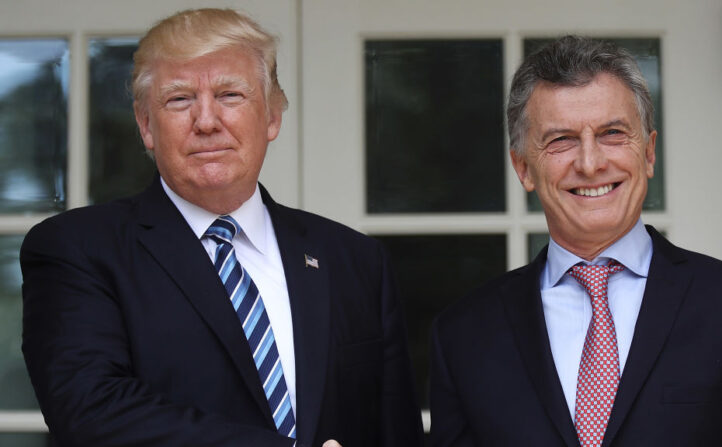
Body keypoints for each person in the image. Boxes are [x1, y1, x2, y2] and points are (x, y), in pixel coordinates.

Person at [20, 8, 423, 447]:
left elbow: (395, 431)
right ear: (145, 124)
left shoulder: (354, 259)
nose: (207, 121)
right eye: (179, 99)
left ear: (272, 117)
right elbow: (91, 411)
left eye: (230, 95)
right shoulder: (77, 249)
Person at [429, 35, 722, 446]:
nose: (590, 163)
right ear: (524, 168)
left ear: (649, 152)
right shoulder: (464, 337)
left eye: (613, 133)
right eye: (561, 140)